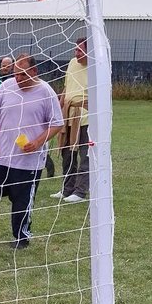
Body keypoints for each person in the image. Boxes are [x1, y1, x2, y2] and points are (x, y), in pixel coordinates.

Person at [0, 54, 63, 249]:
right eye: (16, 74)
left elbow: (57, 124)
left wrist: (36, 142)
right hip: (2, 156)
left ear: (34, 71)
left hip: (29, 160)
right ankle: (18, 192)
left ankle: (21, 238)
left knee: (22, 202)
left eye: (22, 74)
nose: (18, 78)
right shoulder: (5, 87)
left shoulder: (46, 92)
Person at [55, 36, 90, 203]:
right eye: (75, 49)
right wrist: (60, 108)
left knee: (85, 155)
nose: (76, 53)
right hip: (68, 115)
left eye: (79, 50)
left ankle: (80, 191)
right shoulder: (71, 63)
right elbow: (66, 87)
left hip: (86, 117)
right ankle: (67, 189)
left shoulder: (97, 68)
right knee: (67, 153)